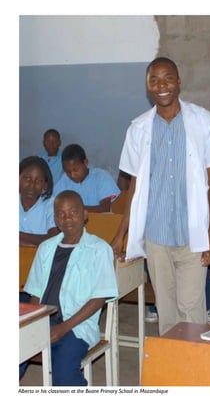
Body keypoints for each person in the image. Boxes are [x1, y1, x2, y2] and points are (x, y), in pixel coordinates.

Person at [112, 57, 210, 335]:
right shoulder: (138, 128)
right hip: (156, 236)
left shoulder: (203, 121)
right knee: (166, 311)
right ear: (147, 85)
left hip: (192, 235)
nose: (161, 85)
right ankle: (171, 375)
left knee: (191, 310)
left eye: (167, 78)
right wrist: (122, 233)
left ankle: (193, 372)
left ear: (178, 82)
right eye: (154, 79)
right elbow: (135, 186)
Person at [20, 190, 119, 386]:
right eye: (61, 214)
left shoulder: (99, 249)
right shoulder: (46, 248)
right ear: (55, 219)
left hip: (76, 326)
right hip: (44, 320)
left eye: (73, 212)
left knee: (63, 374)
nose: (67, 219)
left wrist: (64, 327)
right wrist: (34, 324)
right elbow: (36, 293)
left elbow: (99, 297)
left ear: (85, 214)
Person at [54, 143, 120, 213]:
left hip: (100, 221)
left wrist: (76, 210)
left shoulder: (101, 176)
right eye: (68, 172)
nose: (72, 175)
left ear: (85, 162)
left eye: (75, 170)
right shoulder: (64, 180)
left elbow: (104, 209)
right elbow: (55, 205)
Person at [20, 156, 59, 247]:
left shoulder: (52, 204)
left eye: (38, 180)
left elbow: (54, 238)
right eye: (27, 178)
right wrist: (34, 244)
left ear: (45, 185)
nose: (32, 185)